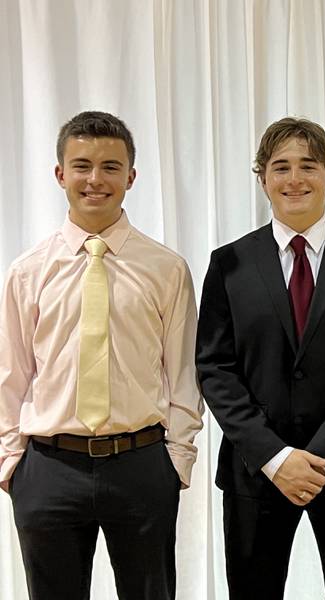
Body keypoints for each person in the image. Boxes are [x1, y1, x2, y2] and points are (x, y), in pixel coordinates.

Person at [0, 111, 204, 600]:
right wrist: (12, 463)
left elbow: (182, 373)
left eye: (111, 167)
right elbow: (11, 374)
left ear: (131, 177)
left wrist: (176, 458)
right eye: (82, 165)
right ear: (60, 174)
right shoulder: (28, 271)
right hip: (48, 468)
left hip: (141, 465)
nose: (96, 179)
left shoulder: (166, 269)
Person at [195, 117, 325, 599]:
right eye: (280, 166)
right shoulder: (229, 264)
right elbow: (215, 369)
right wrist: (275, 456)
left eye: (308, 166)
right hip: (256, 471)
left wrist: (317, 454)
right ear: (262, 178)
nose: (295, 179)